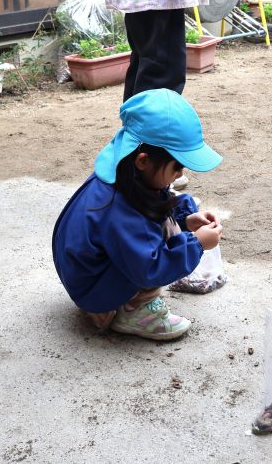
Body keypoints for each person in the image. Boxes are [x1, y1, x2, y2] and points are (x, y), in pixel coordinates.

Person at [52, 89, 223, 340]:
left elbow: (155, 205)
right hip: (96, 295)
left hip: (86, 276)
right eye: (177, 165)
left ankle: (124, 300)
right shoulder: (122, 210)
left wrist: (185, 220)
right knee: (160, 247)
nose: (180, 173)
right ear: (143, 160)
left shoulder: (121, 174)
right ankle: (134, 311)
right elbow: (151, 268)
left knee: (169, 224)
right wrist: (197, 244)